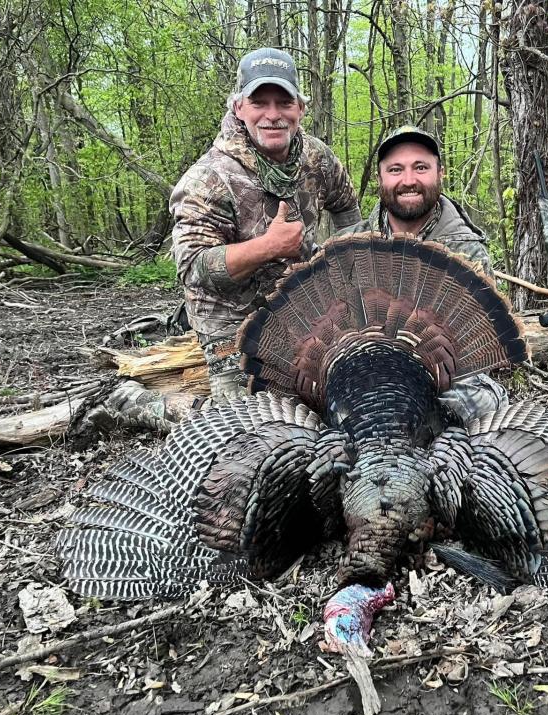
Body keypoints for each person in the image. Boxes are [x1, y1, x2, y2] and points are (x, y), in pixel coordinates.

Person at [90, 48, 361, 432]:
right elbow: (193, 268)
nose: (272, 114)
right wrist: (268, 247)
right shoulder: (209, 178)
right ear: (238, 107)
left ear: (300, 108)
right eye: (259, 102)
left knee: (344, 397)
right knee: (250, 430)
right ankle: (135, 402)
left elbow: (347, 210)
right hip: (230, 321)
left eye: (284, 102)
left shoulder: (317, 158)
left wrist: (346, 273)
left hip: (304, 308)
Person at [337, 125, 508, 423]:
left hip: (439, 379)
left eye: (420, 168)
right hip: (363, 373)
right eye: (395, 170)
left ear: (440, 173)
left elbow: (473, 353)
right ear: (380, 179)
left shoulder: (466, 251)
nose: (408, 180)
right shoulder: (349, 244)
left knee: (484, 401)